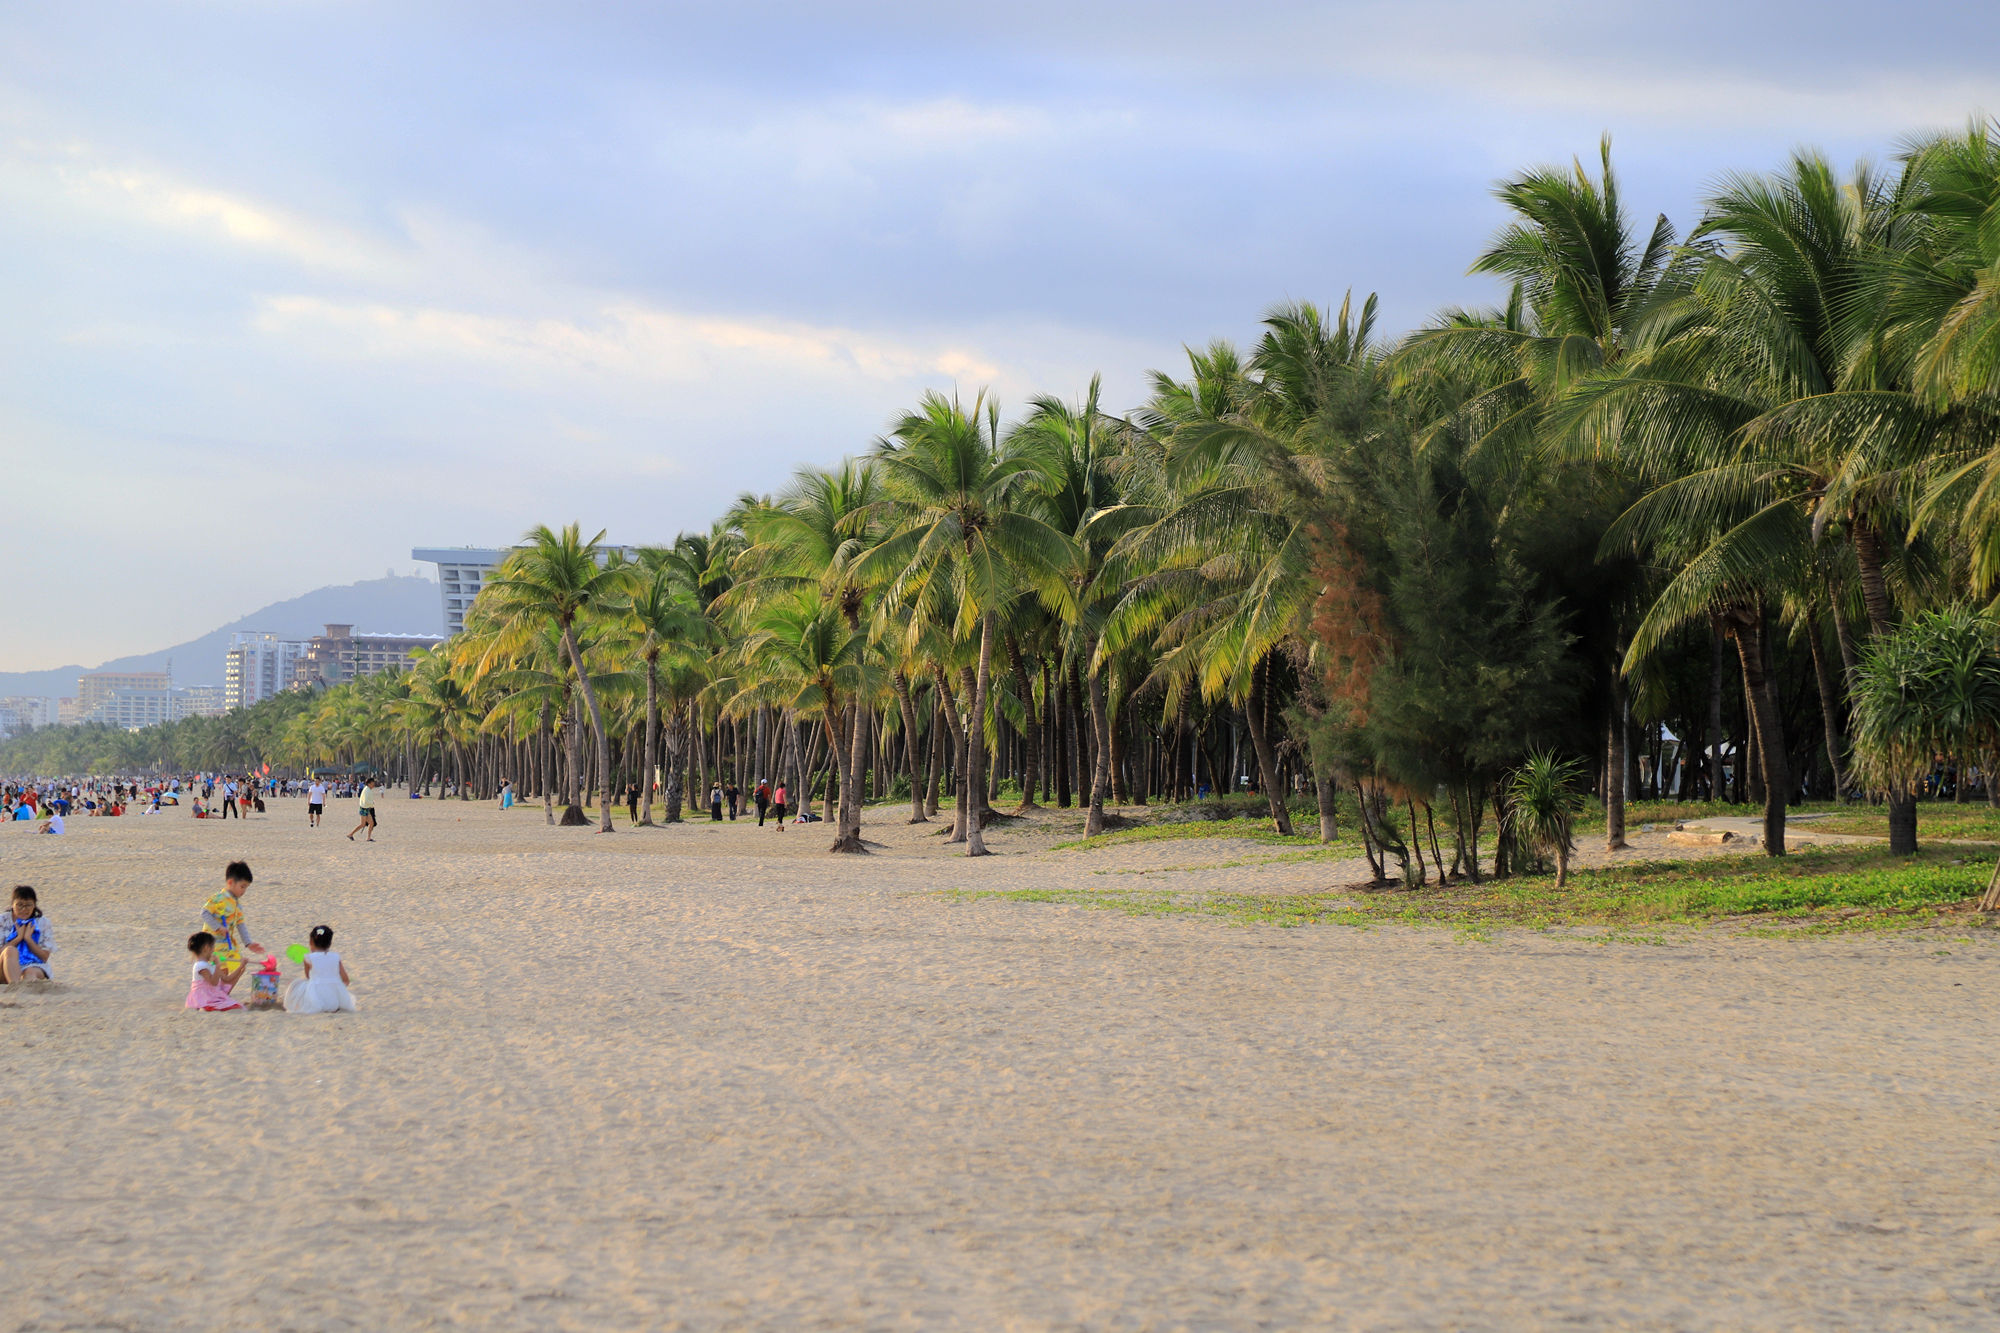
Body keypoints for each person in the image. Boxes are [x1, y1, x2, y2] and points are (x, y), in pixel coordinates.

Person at [199, 860, 264, 990]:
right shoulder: (218, 898)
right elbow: (204, 913)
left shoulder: (236, 904)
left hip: (228, 946)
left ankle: (223, 995)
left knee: (239, 966)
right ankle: (217, 995)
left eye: (246, 887)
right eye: (242, 886)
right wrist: (218, 927)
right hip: (213, 945)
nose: (244, 891)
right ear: (230, 882)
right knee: (221, 971)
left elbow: (240, 924)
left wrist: (248, 943)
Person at [284, 924, 357, 1014]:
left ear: (311, 942)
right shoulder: (335, 957)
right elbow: (346, 980)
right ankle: (333, 1006)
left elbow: (308, 977)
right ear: (330, 943)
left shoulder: (308, 958)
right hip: (334, 1000)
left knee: (296, 986)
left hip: (316, 998)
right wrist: (337, 987)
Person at [3, 887, 54, 983]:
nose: (24, 909)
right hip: (4, 965)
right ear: (12, 905)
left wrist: (28, 939)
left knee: (30, 972)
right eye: (19, 905)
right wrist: (18, 938)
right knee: (10, 950)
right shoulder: (2, 921)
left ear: (34, 905)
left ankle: (27, 988)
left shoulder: (43, 923)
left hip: (33, 964)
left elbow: (44, 957)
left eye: (28, 905)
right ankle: (16, 986)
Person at [184, 932, 242, 1011]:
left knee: (236, 1005)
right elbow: (213, 982)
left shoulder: (210, 964)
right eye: (212, 947)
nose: (213, 951)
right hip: (204, 997)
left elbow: (227, 979)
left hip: (212, 995)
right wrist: (218, 966)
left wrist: (241, 968)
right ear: (206, 948)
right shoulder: (200, 966)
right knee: (231, 1006)